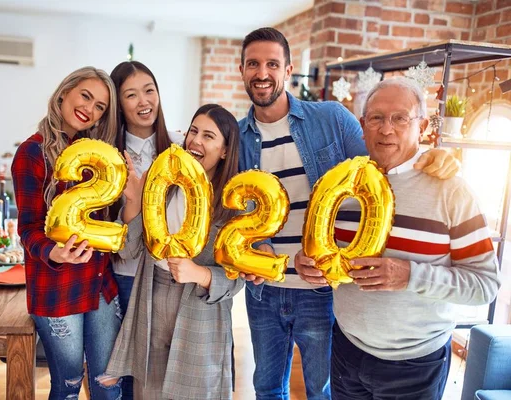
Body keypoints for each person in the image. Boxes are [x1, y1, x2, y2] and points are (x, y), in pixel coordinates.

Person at [237, 27, 461, 400]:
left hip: (323, 290)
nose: (263, 73)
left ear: (288, 69)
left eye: (272, 64)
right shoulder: (237, 136)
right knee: (266, 388)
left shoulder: (332, 119)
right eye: (254, 64)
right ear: (241, 69)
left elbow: (383, 166)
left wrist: (430, 155)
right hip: (264, 292)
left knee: (322, 391)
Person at [295, 77, 500, 399]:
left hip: (415, 364)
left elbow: (485, 286)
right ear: (362, 125)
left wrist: (410, 275)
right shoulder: (343, 188)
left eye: (400, 118)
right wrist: (309, 265)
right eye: (376, 117)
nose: (386, 129)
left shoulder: (452, 191)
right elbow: (328, 258)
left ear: (421, 125)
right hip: (346, 349)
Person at [100, 104, 244, 399]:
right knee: (149, 391)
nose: (195, 141)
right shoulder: (163, 185)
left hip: (201, 313)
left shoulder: (235, 204)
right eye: (193, 131)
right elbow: (128, 249)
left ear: (226, 151)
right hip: (152, 301)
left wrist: (200, 273)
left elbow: (239, 278)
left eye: (208, 136)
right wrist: (134, 201)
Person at [11, 66, 122, 400]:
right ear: (64, 92)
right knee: (69, 384)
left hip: (100, 285)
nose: (90, 108)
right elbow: (27, 229)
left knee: (109, 382)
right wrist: (54, 252)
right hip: (57, 290)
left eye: (100, 106)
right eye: (85, 96)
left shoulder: (97, 156)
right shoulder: (32, 153)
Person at [109, 61, 184, 399]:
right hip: (123, 276)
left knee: (158, 372)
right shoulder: (107, 156)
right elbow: (111, 236)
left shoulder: (181, 148)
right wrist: (133, 206)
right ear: (117, 103)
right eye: (131, 94)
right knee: (122, 370)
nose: (144, 101)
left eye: (149, 90)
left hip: (167, 277)